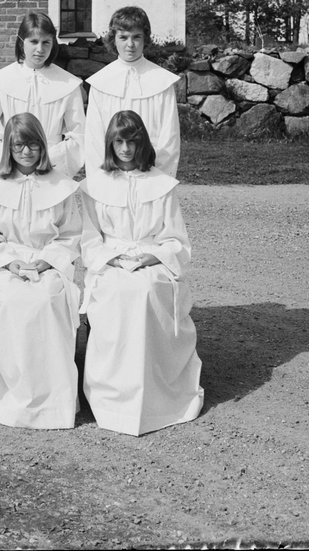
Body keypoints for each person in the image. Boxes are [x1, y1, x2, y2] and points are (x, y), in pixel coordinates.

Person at [79, 110, 203, 436]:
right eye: (119, 141)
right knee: (121, 293)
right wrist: (114, 258)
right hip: (112, 263)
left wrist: (154, 255)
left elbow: (176, 240)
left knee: (147, 291)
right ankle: (114, 398)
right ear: (110, 144)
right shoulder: (95, 187)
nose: (125, 149)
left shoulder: (161, 185)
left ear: (142, 144)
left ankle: (156, 396)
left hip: (153, 261)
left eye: (132, 141)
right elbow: (91, 241)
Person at [0, 113, 83, 429]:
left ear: (42, 146)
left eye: (33, 144)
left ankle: (52, 400)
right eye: (19, 145)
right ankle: (17, 392)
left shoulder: (61, 186)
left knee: (49, 298)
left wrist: (47, 260)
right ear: (9, 147)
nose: (26, 152)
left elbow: (69, 234)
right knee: (12, 301)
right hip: (6, 264)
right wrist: (9, 262)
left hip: (48, 263)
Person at [0, 12, 85, 178]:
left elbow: (79, 133)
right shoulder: (2, 81)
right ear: (22, 42)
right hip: (12, 168)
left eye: (46, 42)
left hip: (52, 168)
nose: (40, 49)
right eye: (34, 42)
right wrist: (11, 163)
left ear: (53, 43)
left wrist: (49, 161)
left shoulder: (68, 84)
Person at [84, 6, 180, 177]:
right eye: (123, 37)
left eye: (136, 37)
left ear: (145, 39)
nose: (130, 45)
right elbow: (94, 138)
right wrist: (104, 175)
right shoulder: (101, 82)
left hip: (152, 171)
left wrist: (156, 175)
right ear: (114, 39)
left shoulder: (162, 81)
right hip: (111, 175)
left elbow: (169, 137)